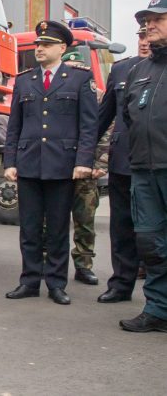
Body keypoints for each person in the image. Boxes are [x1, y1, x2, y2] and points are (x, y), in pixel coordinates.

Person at [4, 20, 97, 305]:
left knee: (57, 229)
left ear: (62, 48)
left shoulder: (80, 79)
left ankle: (56, 283)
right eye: (37, 44)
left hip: (62, 165)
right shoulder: (24, 80)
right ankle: (30, 281)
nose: (39, 49)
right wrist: (10, 161)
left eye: (46, 44)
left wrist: (83, 161)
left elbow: (89, 126)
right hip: (30, 163)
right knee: (29, 228)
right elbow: (14, 126)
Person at [119, 0, 167, 332]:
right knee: (150, 244)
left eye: (157, 19)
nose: (148, 25)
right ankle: (158, 310)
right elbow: (128, 115)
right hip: (144, 171)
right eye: (146, 20)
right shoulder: (141, 69)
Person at [96, 26, 151, 303]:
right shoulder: (121, 70)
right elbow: (102, 117)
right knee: (121, 228)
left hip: (156, 163)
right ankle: (120, 285)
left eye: (148, 35)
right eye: (140, 36)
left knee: (154, 231)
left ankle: (156, 293)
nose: (144, 42)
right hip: (122, 162)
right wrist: (82, 153)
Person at [59, 51, 107, 286]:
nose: (73, 69)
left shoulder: (97, 96)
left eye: (78, 65)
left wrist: (99, 164)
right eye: (70, 65)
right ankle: (50, 262)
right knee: (52, 221)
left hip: (86, 171)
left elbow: (105, 130)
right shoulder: (56, 94)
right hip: (59, 168)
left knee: (85, 221)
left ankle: (83, 265)